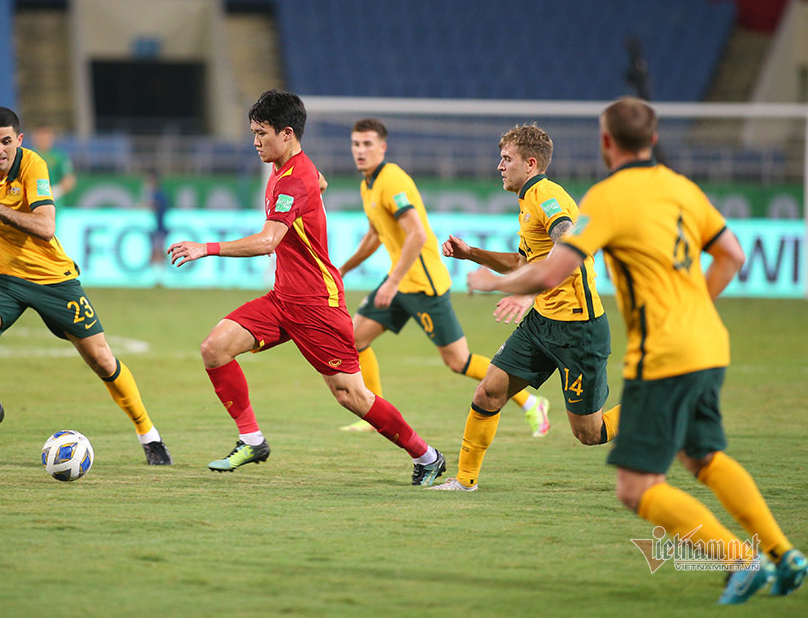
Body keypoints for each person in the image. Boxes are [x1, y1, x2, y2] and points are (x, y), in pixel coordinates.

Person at [465, 97, 806, 603]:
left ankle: (742, 559)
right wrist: (695, 307)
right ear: (653, 139)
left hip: (663, 350)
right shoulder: (683, 188)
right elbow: (732, 255)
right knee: (703, 456)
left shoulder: (607, 198)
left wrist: (503, 287)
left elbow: (560, 260)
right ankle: (783, 553)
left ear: (607, 142)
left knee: (634, 486)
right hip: (709, 342)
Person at [167, 90, 445, 485]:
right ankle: (252, 439)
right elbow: (321, 182)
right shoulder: (291, 170)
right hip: (284, 299)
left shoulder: (292, 180)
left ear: (287, 133)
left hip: (317, 304)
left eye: (261, 133)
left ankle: (427, 456)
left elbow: (267, 242)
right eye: (253, 133)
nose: (255, 141)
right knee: (215, 348)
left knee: (353, 396)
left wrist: (205, 248)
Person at [0, 107, 172, 465]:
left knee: (101, 359)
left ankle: (149, 435)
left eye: (6, 141)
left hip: (53, 278)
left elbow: (46, 226)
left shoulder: (33, 166)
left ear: (18, 141)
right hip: (2, 277)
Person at [429, 124, 621, 492]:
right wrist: (473, 255)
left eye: (507, 159)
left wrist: (526, 291)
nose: (499, 166)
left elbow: (570, 245)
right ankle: (464, 481)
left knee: (589, 432)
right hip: (541, 324)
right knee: (489, 391)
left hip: (577, 329)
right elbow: (522, 262)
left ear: (530, 164)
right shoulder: (528, 200)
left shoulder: (545, 195)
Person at [336, 118, 550, 436]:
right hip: (399, 282)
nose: (360, 150)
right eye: (356, 144)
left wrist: (393, 281)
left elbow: (418, 235)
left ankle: (531, 403)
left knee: (458, 361)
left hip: (422, 285)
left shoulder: (391, 181)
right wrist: (342, 270)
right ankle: (373, 412)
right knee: (353, 340)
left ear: (382, 147)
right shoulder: (368, 184)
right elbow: (375, 233)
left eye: (368, 144)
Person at [30, 126, 76, 200]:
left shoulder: (59, 156)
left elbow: (69, 180)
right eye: (40, 138)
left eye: (46, 138)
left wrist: (56, 191)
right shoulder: (27, 156)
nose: (43, 140)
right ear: (34, 138)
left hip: (54, 203)